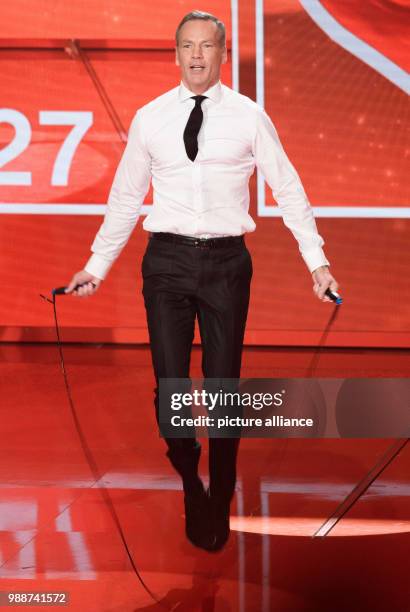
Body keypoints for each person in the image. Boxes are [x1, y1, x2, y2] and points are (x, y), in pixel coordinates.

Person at [65, 10, 339, 552]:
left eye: (206, 47)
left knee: (223, 387)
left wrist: (317, 261)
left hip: (226, 264)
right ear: (176, 54)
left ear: (221, 54)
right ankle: (190, 477)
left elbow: (288, 188)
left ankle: (223, 488)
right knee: (170, 388)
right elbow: (125, 198)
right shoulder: (150, 118)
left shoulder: (249, 116)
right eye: (187, 46)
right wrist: (96, 266)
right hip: (165, 262)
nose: (196, 55)